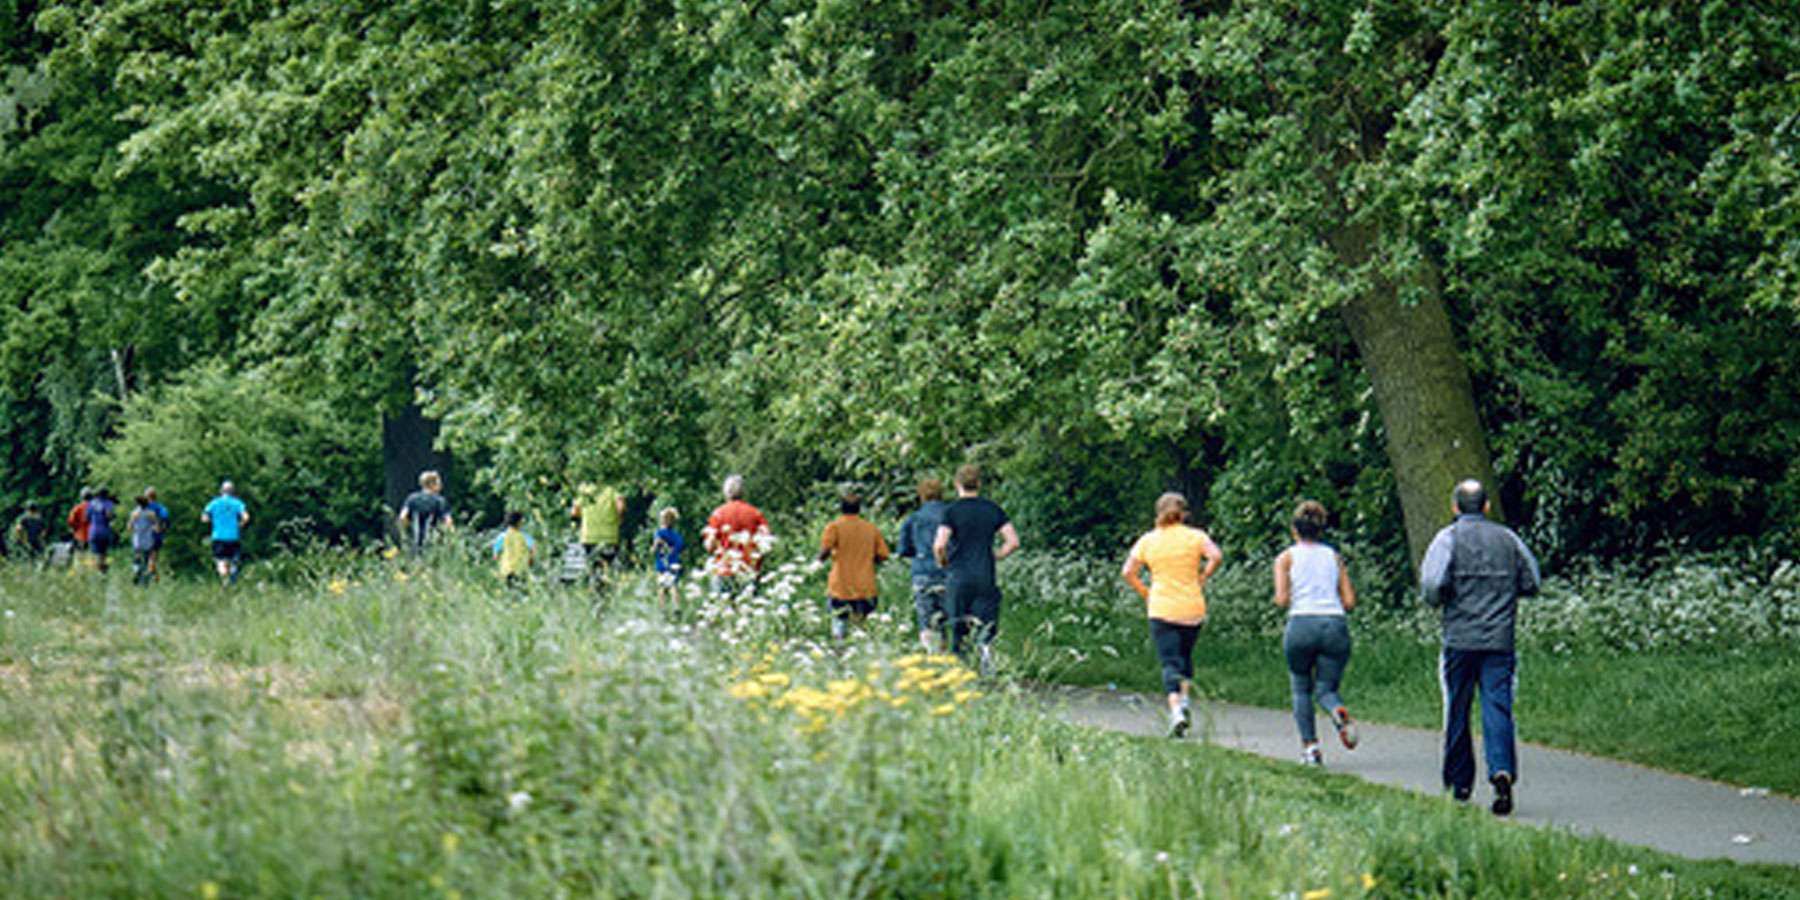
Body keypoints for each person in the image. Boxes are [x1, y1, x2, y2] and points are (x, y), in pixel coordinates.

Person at [1420, 478, 1541, 817]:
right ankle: (1501, 771)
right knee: (1497, 706)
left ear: (1455, 507)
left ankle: (1458, 785)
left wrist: (1444, 598)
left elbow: (1431, 585)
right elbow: (1533, 580)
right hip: (1500, 640)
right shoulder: (1508, 539)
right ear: (1487, 506)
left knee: (1457, 708)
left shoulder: (1447, 539)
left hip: (1459, 638)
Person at [1121, 492, 1223, 737]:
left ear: (1158, 513)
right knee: (1185, 656)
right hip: (1192, 607)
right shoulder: (1196, 536)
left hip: (1162, 607)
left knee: (1169, 661)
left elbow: (1128, 572)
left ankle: (1176, 711)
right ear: (1184, 513)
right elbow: (1216, 556)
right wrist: (1204, 575)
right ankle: (1185, 700)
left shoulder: (1148, 540)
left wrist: (1145, 591)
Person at [1273, 500, 1359, 765]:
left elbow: (1281, 599)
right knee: (1326, 689)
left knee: (1301, 688)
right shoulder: (1334, 557)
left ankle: (1311, 749)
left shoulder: (1286, 558)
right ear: (1321, 530)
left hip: (1301, 624)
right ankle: (1336, 710)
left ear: (1294, 530)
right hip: (1334, 624)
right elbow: (1349, 601)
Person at [932, 464, 1020, 675]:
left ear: (957, 484)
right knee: (986, 625)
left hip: (958, 576)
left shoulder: (951, 511)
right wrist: (996, 554)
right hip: (985, 575)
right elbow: (1013, 541)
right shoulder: (992, 509)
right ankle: (986, 666)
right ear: (979, 484)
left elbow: (940, 544)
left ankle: (960, 672)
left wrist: (942, 562)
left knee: (958, 626)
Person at [818, 493, 891, 641]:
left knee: (839, 625)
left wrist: (819, 560)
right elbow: (883, 555)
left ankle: (840, 655)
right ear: (859, 508)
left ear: (841, 508)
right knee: (862, 628)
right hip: (866, 587)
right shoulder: (871, 528)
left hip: (840, 587)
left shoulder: (834, 527)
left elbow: (825, 550)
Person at [896, 478, 952, 653]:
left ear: (921, 495)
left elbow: (903, 549)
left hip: (922, 573)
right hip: (948, 572)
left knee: (927, 619)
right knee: (952, 618)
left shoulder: (913, 519)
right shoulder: (951, 515)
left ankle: (933, 657)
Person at [704, 475, 771, 599]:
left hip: (724, 570)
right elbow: (766, 543)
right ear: (743, 492)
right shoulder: (755, 513)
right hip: (748, 570)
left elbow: (710, 546)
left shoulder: (718, 513)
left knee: (722, 612)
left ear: (726, 492)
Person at [571, 482, 625, 585]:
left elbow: (575, 512)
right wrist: (619, 520)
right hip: (609, 536)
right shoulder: (612, 487)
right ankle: (608, 596)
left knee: (594, 569)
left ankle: (596, 595)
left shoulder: (583, 489)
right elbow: (621, 506)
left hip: (589, 537)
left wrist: (579, 522)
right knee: (608, 570)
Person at [201, 481, 250, 585]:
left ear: (221, 491)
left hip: (218, 536)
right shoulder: (237, 503)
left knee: (220, 561)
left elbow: (204, 518)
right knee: (233, 561)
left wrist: (214, 521)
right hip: (233, 536)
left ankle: (225, 581)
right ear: (233, 491)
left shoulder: (214, 503)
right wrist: (239, 525)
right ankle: (232, 577)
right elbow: (246, 517)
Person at [396, 470, 454, 556]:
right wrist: (451, 539)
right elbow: (448, 522)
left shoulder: (412, 499)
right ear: (432, 484)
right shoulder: (440, 501)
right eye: (438, 483)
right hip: (434, 546)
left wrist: (407, 531)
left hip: (415, 544)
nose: (441, 486)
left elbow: (402, 517)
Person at [652, 507, 685, 613]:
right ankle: (677, 607)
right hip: (674, 563)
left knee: (662, 588)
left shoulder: (659, 533)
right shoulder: (677, 536)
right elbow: (680, 547)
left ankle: (662, 610)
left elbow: (656, 545)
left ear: (662, 520)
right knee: (673, 586)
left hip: (662, 563)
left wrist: (653, 549)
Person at [491, 511, 536, 584]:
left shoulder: (502, 537)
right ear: (519, 522)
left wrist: (502, 563)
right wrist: (530, 561)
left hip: (506, 570)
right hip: (521, 569)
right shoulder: (525, 537)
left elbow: (496, 555)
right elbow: (533, 551)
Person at [129, 495, 160, 585]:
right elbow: (157, 528)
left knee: (137, 556)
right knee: (147, 560)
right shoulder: (151, 513)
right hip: (148, 540)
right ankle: (145, 582)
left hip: (137, 540)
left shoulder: (134, 513)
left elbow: (129, 527)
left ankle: (136, 570)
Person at [86, 488, 118, 573]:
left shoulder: (91, 503)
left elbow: (87, 517)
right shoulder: (108, 503)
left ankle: (96, 573)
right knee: (103, 555)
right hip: (105, 532)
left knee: (94, 555)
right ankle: (102, 574)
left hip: (93, 532)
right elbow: (109, 516)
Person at [143, 488, 170, 582]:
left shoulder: (142, 508)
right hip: (156, 534)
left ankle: (150, 575)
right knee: (153, 556)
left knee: (147, 557)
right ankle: (153, 576)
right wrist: (163, 529)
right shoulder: (161, 508)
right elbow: (166, 520)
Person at [66, 488, 92, 552]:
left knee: (80, 555)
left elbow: (70, 521)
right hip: (93, 536)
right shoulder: (95, 507)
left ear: (81, 497)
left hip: (80, 535)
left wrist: (75, 527)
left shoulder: (77, 508)